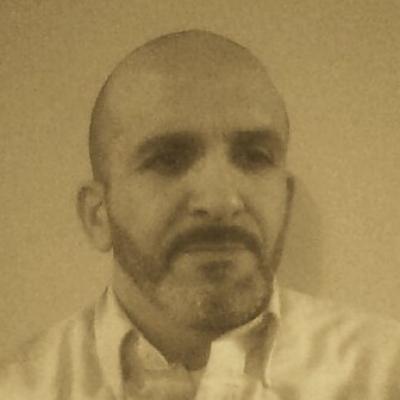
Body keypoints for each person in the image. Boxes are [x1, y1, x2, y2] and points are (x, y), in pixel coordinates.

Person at [1, 29, 400, 400]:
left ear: (286, 200)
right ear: (97, 215)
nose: (221, 201)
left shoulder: (384, 374)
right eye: (168, 159)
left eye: (254, 156)